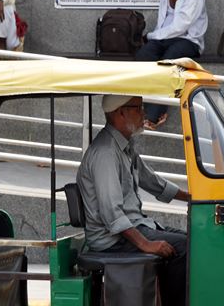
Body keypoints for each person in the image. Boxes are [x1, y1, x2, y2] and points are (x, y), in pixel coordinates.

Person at [77, 95, 189, 306]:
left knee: (193, 240)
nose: (144, 113)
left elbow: (153, 182)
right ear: (120, 112)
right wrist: (146, 244)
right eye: (138, 108)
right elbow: (112, 215)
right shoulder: (105, 153)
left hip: (134, 226)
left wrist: (193, 198)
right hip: (112, 240)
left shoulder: (124, 147)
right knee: (183, 248)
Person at [135, 0, 208, 129]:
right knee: (142, 56)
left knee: (169, 63)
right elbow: (163, 21)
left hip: (189, 40)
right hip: (164, 38)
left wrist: (151, 36)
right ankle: (144, 107)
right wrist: (153, 39)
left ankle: (155, 114)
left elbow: (182, 26)